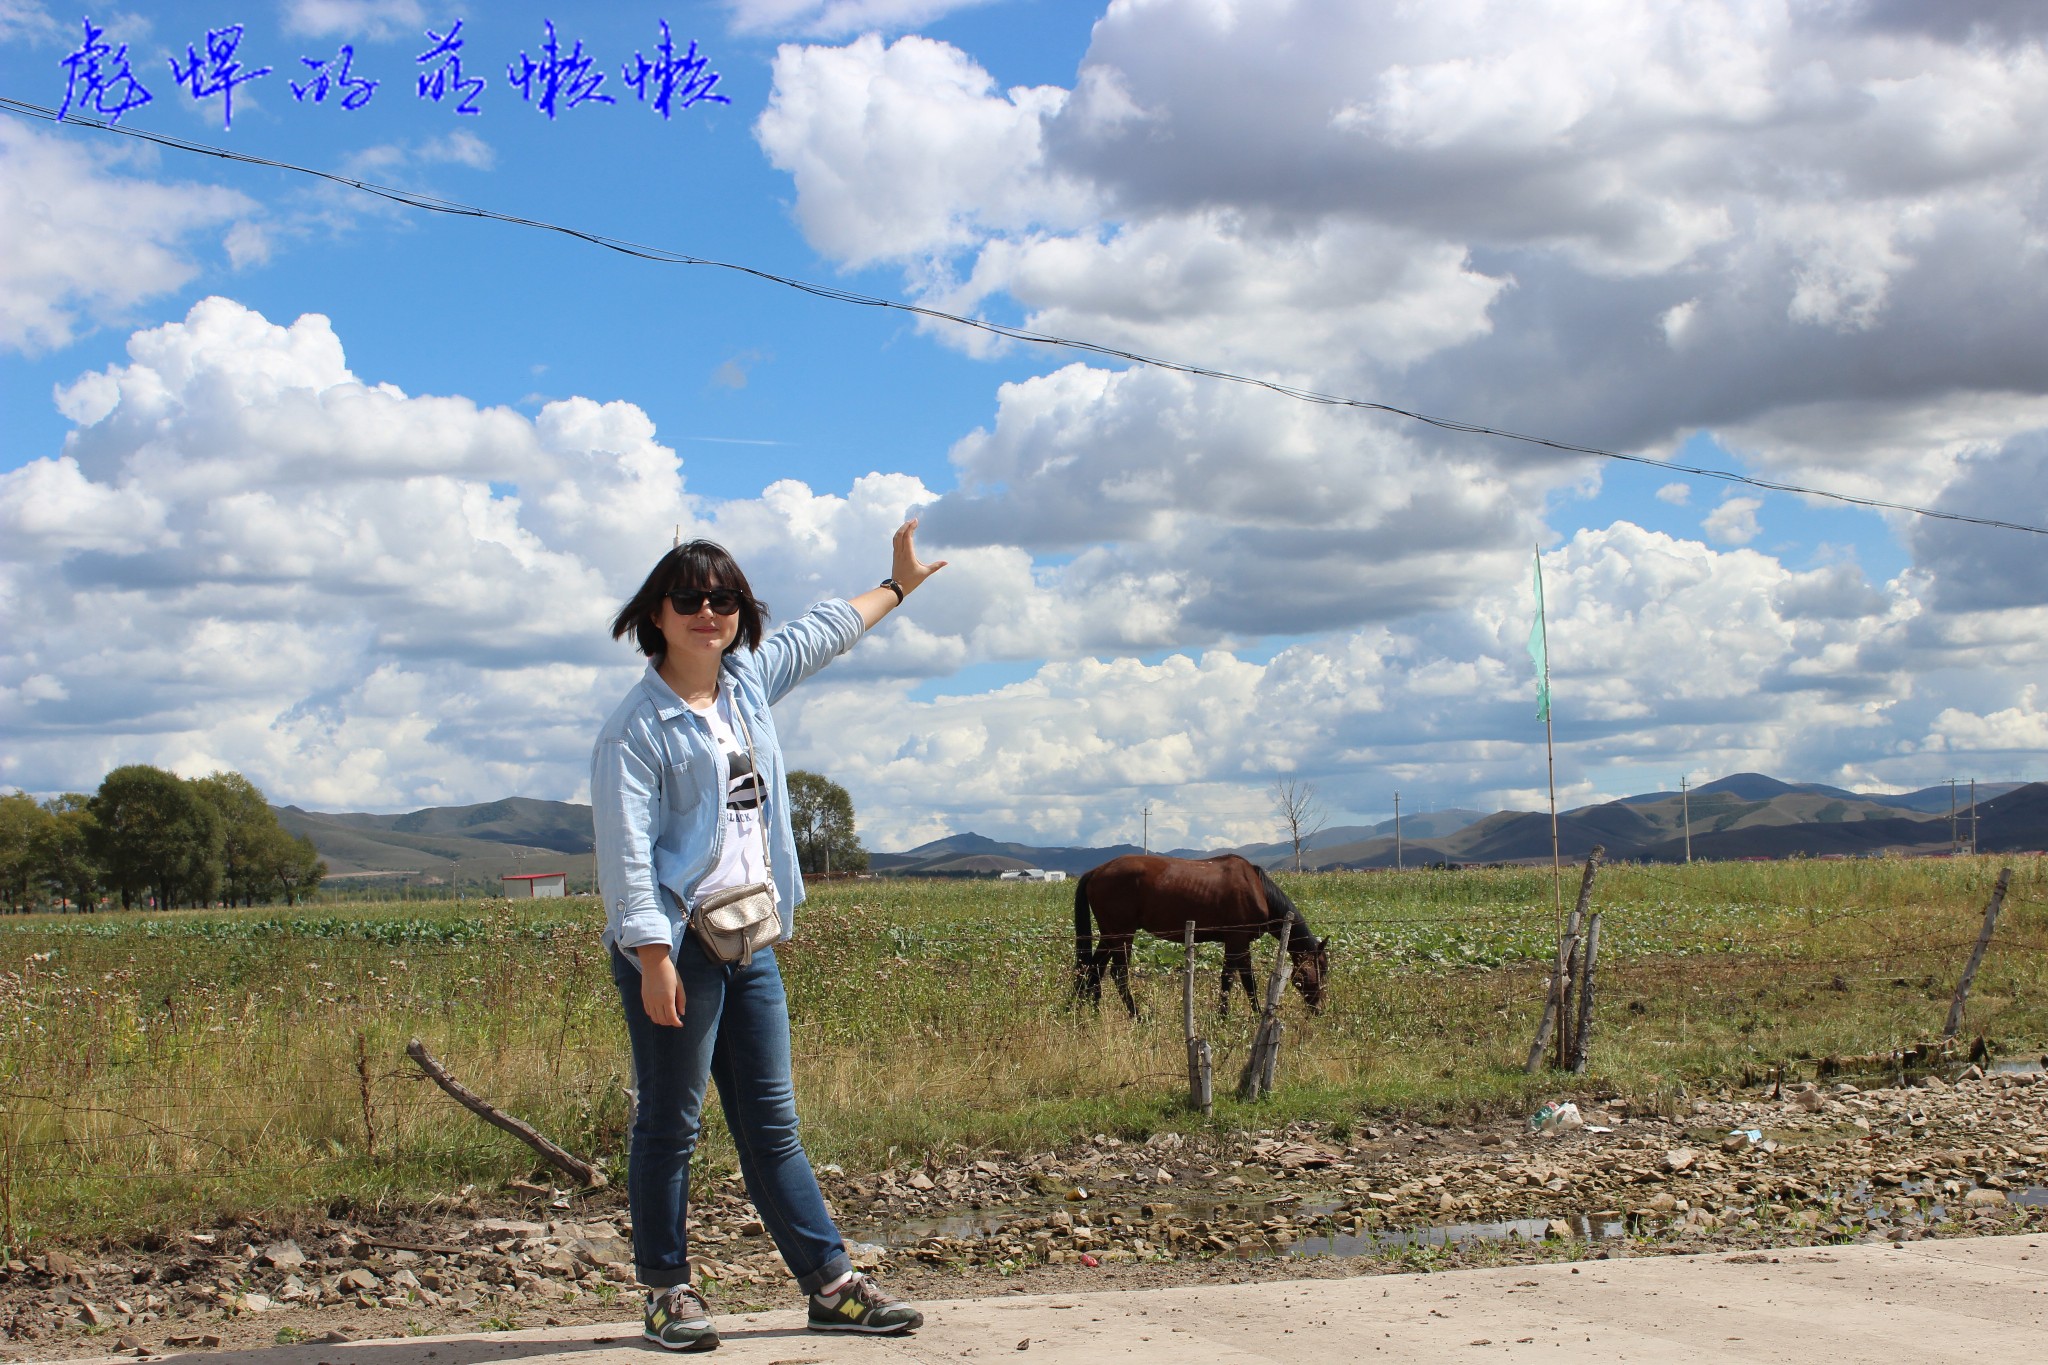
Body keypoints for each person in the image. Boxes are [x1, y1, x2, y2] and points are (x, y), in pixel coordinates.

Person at [592, 520, 945, 1352]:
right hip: (675, 948)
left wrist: (896, 586)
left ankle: (832, 1286)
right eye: (689, 598)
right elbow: (627, 853)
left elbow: (824, 631)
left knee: (772, 1123)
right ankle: (667, 1292)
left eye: (724, 599)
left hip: (748, 939)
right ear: (656, 613)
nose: (707, 612)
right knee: (671, 1124)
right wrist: (652, 959)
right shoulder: (635, 728)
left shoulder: (745, 682)